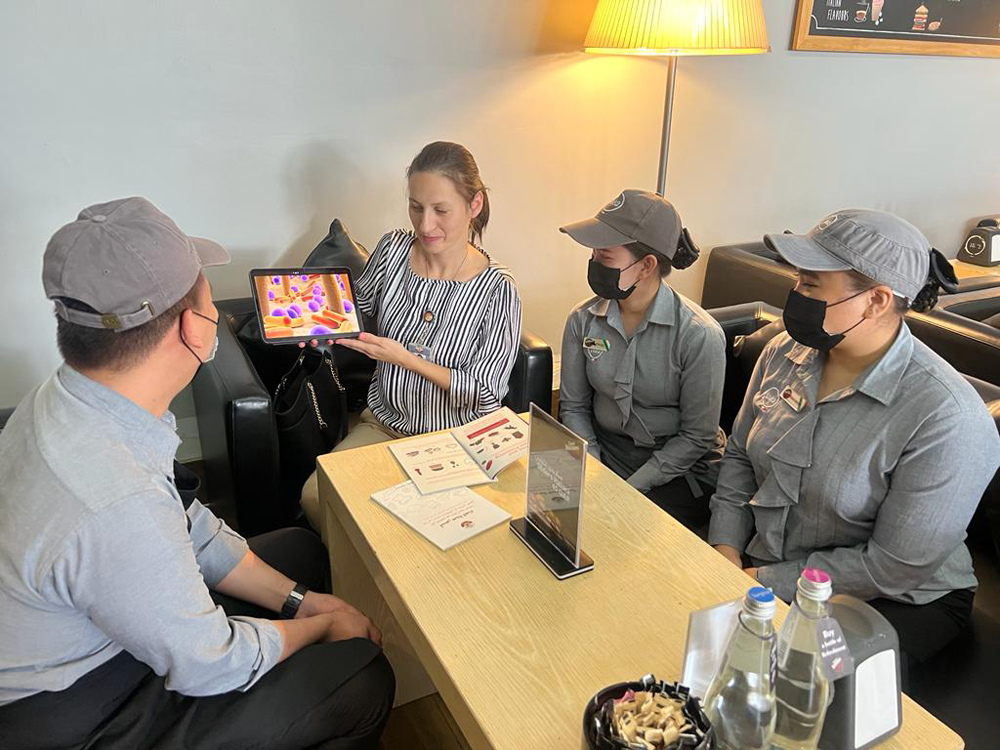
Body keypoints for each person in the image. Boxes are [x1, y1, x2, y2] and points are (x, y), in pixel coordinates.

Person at [0, 198, 394, 749]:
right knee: (362, 676)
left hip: (95, 623)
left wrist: (299, 601)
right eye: (209, 298)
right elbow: (210, 663)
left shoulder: (76, 396)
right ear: (192, 328)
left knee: (301, 554)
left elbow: (187, 524)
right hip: (74, 708)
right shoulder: (114, 497)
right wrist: (322, 628)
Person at [708, 208, 1000, 670]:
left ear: (877, 300)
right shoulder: (785, 350)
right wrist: (722, 549)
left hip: (891, 597)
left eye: (810, 284)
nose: (794, 295)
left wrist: (761, 580)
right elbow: (741, 455)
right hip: (767, 558)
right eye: (798, 280)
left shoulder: (948, 418)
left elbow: (892, 566)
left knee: (780, 681)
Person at [299, 142, 522, 529]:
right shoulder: (393, 249)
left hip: (455, 441)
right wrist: (311, 324)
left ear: (475, 205)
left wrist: (405, 359)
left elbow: (484, 393)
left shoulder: (497, 289)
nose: (425, 225)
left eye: (441, 210)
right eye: (416, 207)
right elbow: (355, 308)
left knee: (419, 528)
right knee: (317, 497)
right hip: (383, 425)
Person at [558, 190, 727, 532]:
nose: (593, 260)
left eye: (604, 255)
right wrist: (592, 470)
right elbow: (574, 407)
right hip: (605, 456)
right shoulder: (582, 319)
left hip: (677, 470)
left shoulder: (698, 335)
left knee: (618, 533)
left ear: (647, 266)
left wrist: (630, 489)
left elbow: (697, 437)